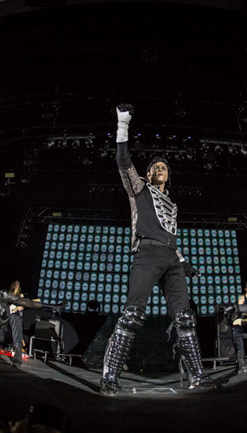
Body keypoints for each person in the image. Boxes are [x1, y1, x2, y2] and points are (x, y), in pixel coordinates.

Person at [99, 103, 212, 396]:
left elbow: (171, 238)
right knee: (133, 315)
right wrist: (123, 124)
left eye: (164, 168)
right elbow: (123, 160)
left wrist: (185, 265)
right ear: (148, 174)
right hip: (147, 255)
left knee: (185, 318)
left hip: (171, 258)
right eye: (155, 167)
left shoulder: (172, 204)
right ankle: (110, 376)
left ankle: (198, 375)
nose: (160, 169)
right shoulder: (139, 189)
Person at [0, 274, 45, 365]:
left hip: (7, 331)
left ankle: (18, 353)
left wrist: (48, 306)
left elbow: (26, 303)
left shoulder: (3, 295)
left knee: (15, 317)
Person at [8, 280, 26, 355]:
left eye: (17, 284)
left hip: (16, 314)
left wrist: (19, 308)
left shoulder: (20, 295)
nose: (16, 285)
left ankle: (16, 348)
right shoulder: (9, 294)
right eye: (14, 284)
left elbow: (22, 306)